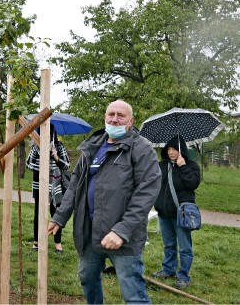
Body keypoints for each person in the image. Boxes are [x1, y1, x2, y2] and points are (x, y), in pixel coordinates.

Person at [48, 100, 162, 304]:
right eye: (111, 114)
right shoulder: (92, 146)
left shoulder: (141, 149)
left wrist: (122, 230)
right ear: (105, 117)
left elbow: (146, 193)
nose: (115, 119)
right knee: (87, 279)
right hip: (90, 231)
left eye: (121, 115)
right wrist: (60, 216)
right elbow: (75, 185)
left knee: (133, 292)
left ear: (131, 121)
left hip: (122, 236)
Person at [152, 135, 201, 290]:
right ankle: (168, 270)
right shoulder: (162, 165)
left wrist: (183, 166)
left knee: (185, 247)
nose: (171, 152)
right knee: (169, 245)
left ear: (182, 150)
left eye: (175, 149)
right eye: (169, 149)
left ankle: (183, 276)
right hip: (164, 213)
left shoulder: (191, 165)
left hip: (182, 214)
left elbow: (193, 184)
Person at [26, 124, 70, 253]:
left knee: (55, 213)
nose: (48, 135)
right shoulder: (36, 147)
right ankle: (36, 242)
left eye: (50, 132)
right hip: (39, 184)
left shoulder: (59, 146)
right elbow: (28, 163)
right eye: (44, 132)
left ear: (53, 134)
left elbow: (66, 166)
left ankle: (58, 244)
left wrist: (56, 157)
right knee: (38, 213)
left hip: (55, 185)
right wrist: (41, 165)